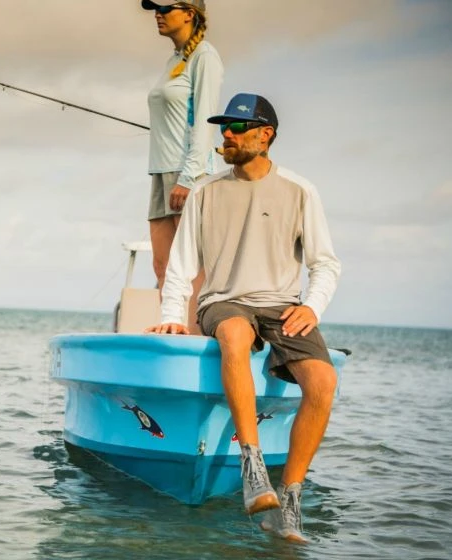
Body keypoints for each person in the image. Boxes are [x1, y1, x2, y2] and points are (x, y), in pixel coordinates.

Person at [146, 93, 341, 544]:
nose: (227, 136)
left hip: (282, 305)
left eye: (237, 127)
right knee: (234, 334)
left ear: (265, 135)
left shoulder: (300, 190)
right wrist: (173, 315)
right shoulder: (205, 191)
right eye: (223, 128)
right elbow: (181, 264)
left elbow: (325, 263)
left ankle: (289, 502)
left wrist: (312, 306)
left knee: (323, 381)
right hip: (224, 300)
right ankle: (253, 467)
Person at [142, 0, 223, 332]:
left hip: (188, 172)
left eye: (166, 8)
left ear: (190, 13)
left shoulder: (205, 57)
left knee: (191, 270)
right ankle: (172, 328)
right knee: (162, 266)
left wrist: (189, 178)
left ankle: (197, 337)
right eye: (155, 8)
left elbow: (205, 121)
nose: (158, 14)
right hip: (160, 172)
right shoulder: (175, 60)